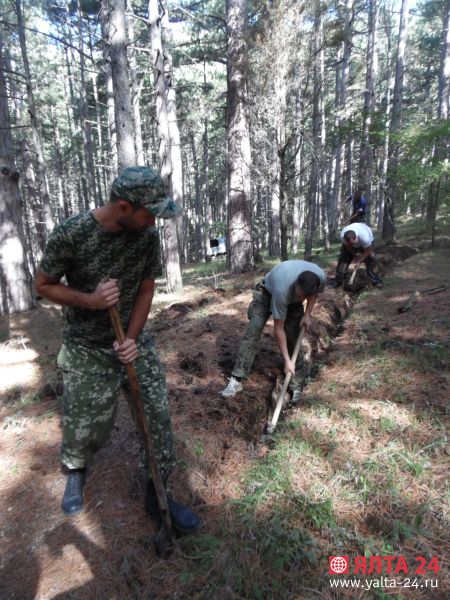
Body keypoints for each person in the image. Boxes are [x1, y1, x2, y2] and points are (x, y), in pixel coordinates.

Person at [35, 166, 200, 534]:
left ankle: (156, 492)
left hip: (132, 341)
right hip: (86, 346)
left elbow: (145, 288)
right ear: (124, 207)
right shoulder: (73, 233)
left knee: (156, 415)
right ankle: (76, 468)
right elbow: (43, 285)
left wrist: (131, 338)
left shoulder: (146, 237)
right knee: (86, 424)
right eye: (148, 212)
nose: (153, 220)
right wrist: (90, 301)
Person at [219, 260, 326, 404]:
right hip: (266, 294)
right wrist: (287, 361)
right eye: (298, 294)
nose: (301, 299)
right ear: (296, 284)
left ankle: (296, 384)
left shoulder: (320, 277)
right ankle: (237, 378)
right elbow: (278, 328)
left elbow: (314, 294)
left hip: (291, 300)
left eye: (303, 297)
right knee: (253, 330)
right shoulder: (282, 290)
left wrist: (307, 314)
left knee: (293, 336)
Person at [330, 223, 382, 288]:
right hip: (351, 242)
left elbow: (368, 250)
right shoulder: (343, 237)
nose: (352, 245)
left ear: (356, 238)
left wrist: (360, 261)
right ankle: (337, 281)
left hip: (367, 245)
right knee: (343, 260)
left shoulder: (364, 237)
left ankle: (376, 281)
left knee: (371, 260)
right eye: (350, 244)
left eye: (352, 243)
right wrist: (355, 254)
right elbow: (347, 247)